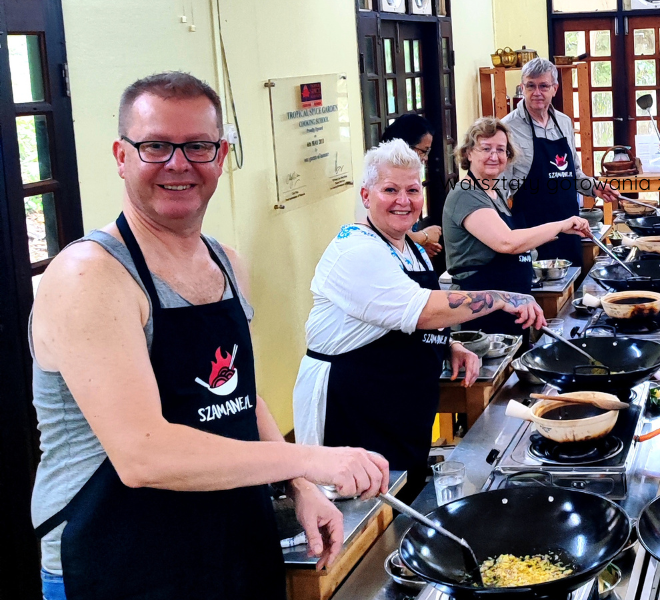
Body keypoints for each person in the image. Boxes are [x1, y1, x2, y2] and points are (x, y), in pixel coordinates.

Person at [28, 72, 389, 600]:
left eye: (197, 146)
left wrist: (302, 486)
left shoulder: (226, 262)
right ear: (122, 156)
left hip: (228, 542)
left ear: (220, 156)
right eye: (156, 146)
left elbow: (240, 397)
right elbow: (142, 455)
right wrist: (310, 458)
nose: (179, 164)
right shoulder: (91, 276)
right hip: (115, 561)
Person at [293, 139, 545, 501]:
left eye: (412, 190)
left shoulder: (409, 247)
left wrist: (447, 344)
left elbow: (401, 322)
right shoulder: (356, 250)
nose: (403, 200)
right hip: (353, 409)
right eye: (390, 190)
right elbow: (424, 309)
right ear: (366, 196)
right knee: (362, 517)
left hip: (398, 405)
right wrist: (501, 298)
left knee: (401, 501)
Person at [444, 117, 592, 336]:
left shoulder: (496, 192)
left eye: (501, 150)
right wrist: (560, 225)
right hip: (479, 314)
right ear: (468, 153)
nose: (494, 156)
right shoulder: (467, 194)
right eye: (486, 149)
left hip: (509, 307)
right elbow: (506, 242)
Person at [501, 58, 620, 266]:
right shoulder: (507, 128)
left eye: (543, 86)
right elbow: (500, 189)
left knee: (571, 285)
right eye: (531, 86)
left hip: (568, 226)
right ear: (522, 88)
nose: (537, 92)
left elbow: (573, 174)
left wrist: (594, 188)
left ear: (554, 88)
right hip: (530, 230)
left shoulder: (564, 123)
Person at [381, 113, 442, 256]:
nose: (426, 158)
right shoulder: (380, 176)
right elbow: (384, 232)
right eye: (423, 151)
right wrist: (424, 236)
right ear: (406, 145)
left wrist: (416, 245)